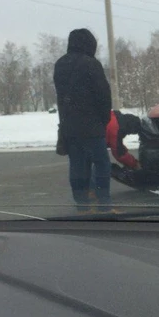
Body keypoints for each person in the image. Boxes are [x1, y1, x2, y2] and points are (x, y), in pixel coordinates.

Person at [53, 28, 112, 210]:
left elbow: (61, 96)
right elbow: (103, 95)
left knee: (77, 166)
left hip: (69, 126)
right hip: (92, 126)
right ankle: (104, 204)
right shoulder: (91, 64)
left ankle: (82, 205)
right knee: (101, 163)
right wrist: (103, 121)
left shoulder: (60, 64)